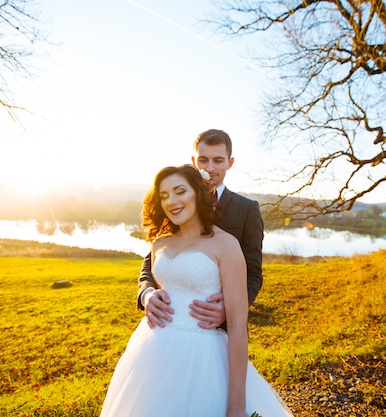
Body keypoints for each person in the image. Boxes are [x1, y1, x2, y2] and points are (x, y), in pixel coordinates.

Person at [99, 165, 292, 416]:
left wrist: (237, 406)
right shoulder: (160, 243)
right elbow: (154, 280)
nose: (172, 201)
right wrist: (148, 295)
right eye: (165, 195)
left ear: (198, 193)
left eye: (180, 191)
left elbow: (236, 327)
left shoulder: (226, 245)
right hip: (153, 350)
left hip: (203, 357)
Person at [138, 129, 264, 330]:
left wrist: (230, 308)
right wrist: (147, 294)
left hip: (220, 329)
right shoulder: (175, 204)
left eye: (218, 160)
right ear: (193, 161)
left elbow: (254, 272)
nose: (210, 167)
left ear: (230, 163)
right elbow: (151, 260)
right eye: (203, 160)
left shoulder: (247, 209)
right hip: (167, 322)